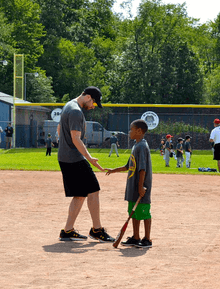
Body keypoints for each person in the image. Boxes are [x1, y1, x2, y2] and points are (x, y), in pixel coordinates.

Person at [57, 86, 115, 242]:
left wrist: (64, 145)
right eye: (94, 103)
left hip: (66, 156)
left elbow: (58, 130)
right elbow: (76, 138)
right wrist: (89, 158)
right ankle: (97, 230)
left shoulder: (68, 105)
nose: (93, 106)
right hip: (74, 158)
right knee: (94, 190)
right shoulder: (76, 111)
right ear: (88, 97)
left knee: (80, 194)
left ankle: (68, 230)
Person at [106, 119, 152, 248]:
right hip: (132, 187)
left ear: (139, 131)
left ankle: (147, 239)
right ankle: (136, 237)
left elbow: (142, 169)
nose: (129, 132)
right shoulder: (135, 145)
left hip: (141, 187)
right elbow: (128, 166)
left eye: (131, 129)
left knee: (144, 213)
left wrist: (140, 186)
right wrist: (113, 170)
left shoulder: (142, 146)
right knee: (134, 212)